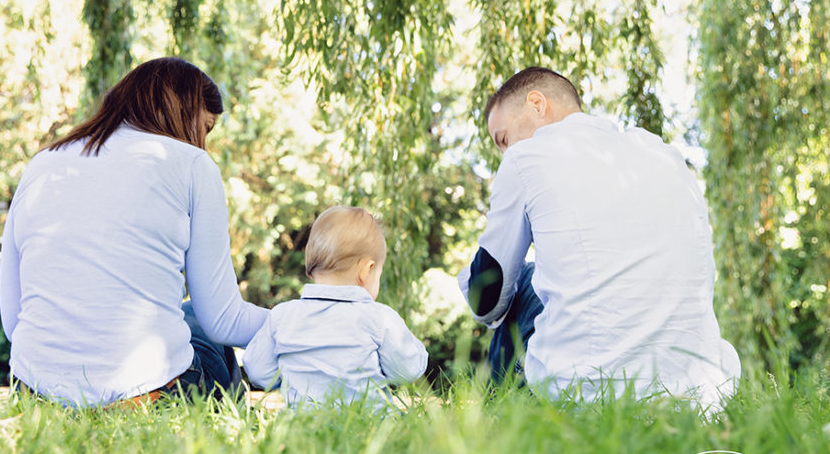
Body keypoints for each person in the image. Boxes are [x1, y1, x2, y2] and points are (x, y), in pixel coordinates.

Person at [460, 67, 740, 409]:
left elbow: (486, 301)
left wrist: (469, 279)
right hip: (703, 395)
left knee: (523, 277)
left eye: (502, 138)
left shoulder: (525, 159)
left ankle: (496, 424)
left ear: (537, 104)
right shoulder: (664, 154)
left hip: (588, 394)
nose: (505, 153)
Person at [0, 57, 268, 407]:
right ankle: (232, 437)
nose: (203, 141)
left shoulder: (44, 162)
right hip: (148, 393)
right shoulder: (192, 166)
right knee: (205, 330)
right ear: (183, 113)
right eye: (206, 127)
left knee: (187, 312)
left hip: (36, 394)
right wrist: (305, 321)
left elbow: (13, 322)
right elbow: (224, 320)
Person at [243, 206, 427, 409]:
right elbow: (409, 370)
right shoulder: (379, 318)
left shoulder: (282, 316)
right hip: (369, 428)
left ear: (311, 269)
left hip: (301, 428)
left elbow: (259, 372)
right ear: (368, 270)